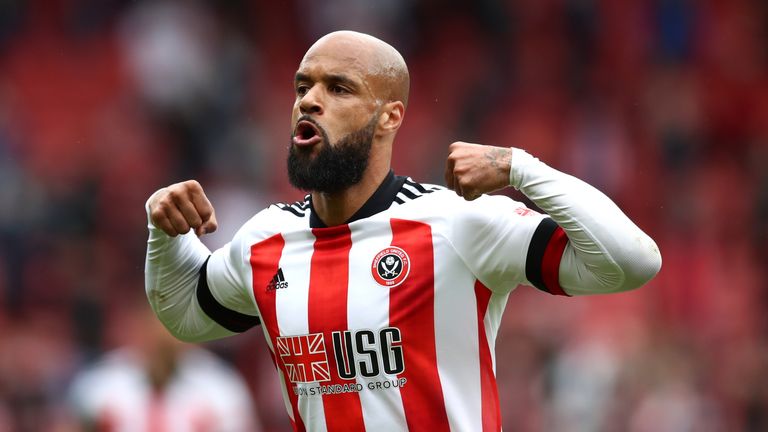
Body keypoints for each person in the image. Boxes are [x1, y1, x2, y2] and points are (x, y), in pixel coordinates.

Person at [144, 30, 661, 431]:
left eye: (338, 88)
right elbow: (186, 316)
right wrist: (164, 231)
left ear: (389, 117)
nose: (309, 100)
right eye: (303, 86)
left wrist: (518, 167)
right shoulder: (266, 241)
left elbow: (632, 262)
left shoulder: (458, 223)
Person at [68, 302, 260, 431]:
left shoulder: (220, 386)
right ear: (141, 328)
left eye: (171, 328)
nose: (163, 337)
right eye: (156, 325)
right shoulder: (102, 382)